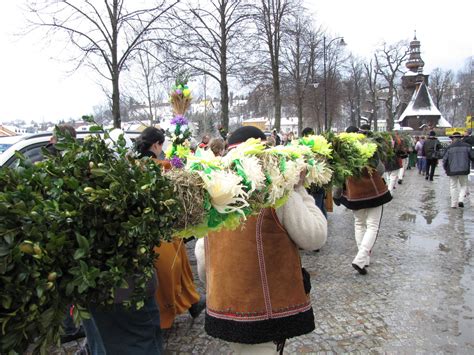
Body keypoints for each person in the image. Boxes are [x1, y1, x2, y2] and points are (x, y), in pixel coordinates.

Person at [195, 126, 327, 354]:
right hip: (267, 310)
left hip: (227, 306)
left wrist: (222, 287)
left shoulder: (213, 193)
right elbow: (315, 236)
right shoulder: (275, 192)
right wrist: (300, 191)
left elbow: (202, 256)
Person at [135, 127, 206, 330]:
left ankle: (191, 302)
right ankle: (164, 316)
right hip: (158, 228)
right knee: (169, 269)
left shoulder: (131, 165)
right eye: (161, 145)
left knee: (178, 263)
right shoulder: (161, 166)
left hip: (152, 227)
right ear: (156, 144)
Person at [334, 126, 392, 275]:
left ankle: (363, 259)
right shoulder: (370, 146)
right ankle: (360, 259)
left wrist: (337, 194)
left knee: (359, 224)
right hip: (374, 192)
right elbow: (380, 170)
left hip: (355, 193)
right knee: (372, 226)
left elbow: (340, 175)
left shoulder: (343, 152)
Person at [442, 132, 474, 208]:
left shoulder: (449, 147)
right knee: (463, 185)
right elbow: (472, 157)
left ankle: (453, 204)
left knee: (453, 186)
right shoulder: (467, 146)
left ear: (453, 139)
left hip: (452, 170)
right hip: (464, 169)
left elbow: (444, 160)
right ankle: (460, 200)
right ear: (461, 138)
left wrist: (445, 169)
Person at [302, 127, 327, 218]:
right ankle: (322, 225)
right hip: (317, 184)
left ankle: (319, 225)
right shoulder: (320, 146)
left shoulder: (302, 147)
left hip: (312, 184)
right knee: (319, 206)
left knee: (316, 208)